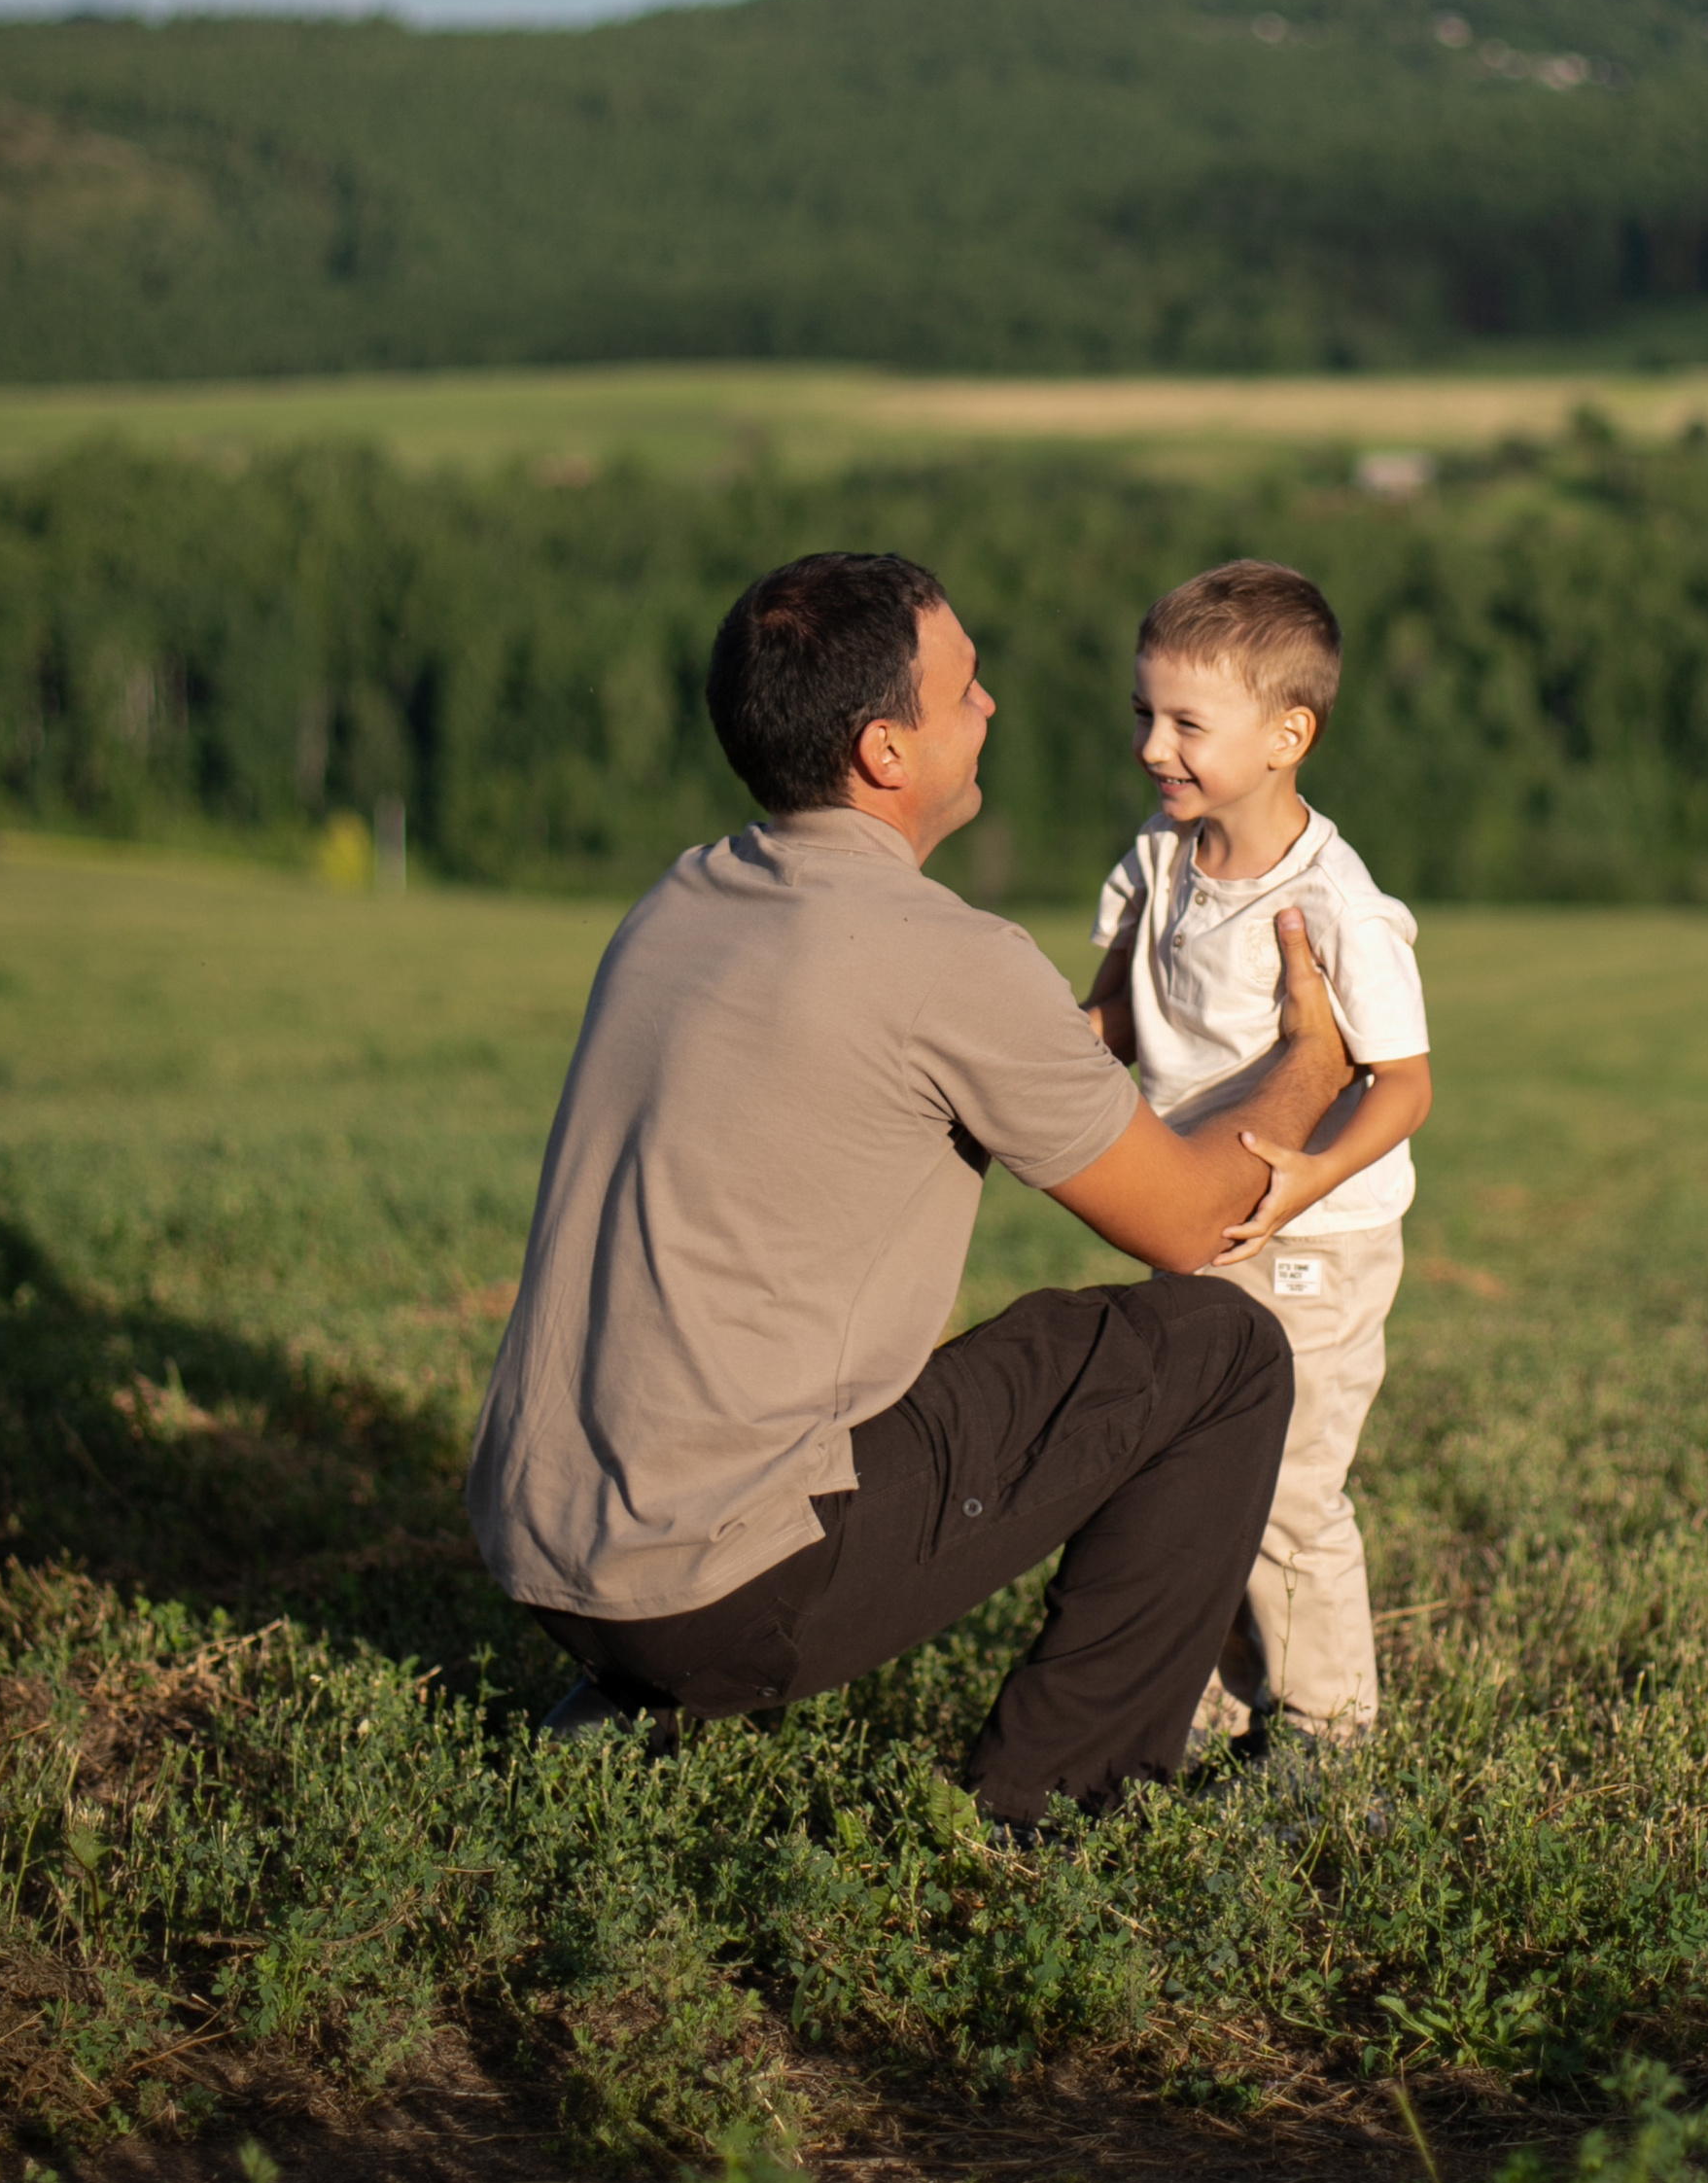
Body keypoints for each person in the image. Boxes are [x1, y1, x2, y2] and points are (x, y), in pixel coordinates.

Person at [466, 549, 1354, 1831]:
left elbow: (934, 1069)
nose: (990, 709)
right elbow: (1188, 1222)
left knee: (1050, 1348)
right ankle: (1054, 1807)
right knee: (1217, 1349)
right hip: (723, 1591)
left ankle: (629, 1694)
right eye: (965, 691)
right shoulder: (948, 961)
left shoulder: (681, 896)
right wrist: (1311, 1061)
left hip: (544, 1556)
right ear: (888, 752)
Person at [1083, 561, 1430, 1749]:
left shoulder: (1336, 903)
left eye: (1187, 723)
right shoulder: (1159, 857)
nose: (1152, 747)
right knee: (1196, 1476)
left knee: (1284, 1491)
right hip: (1198, 1224)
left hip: (1315, 1247)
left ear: (1289, 735)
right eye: (1145, 714)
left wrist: (1314, 1175)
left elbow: (1405, 1083)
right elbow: (1113, 1016)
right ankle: (1224, 1705)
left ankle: (1328, 1743)